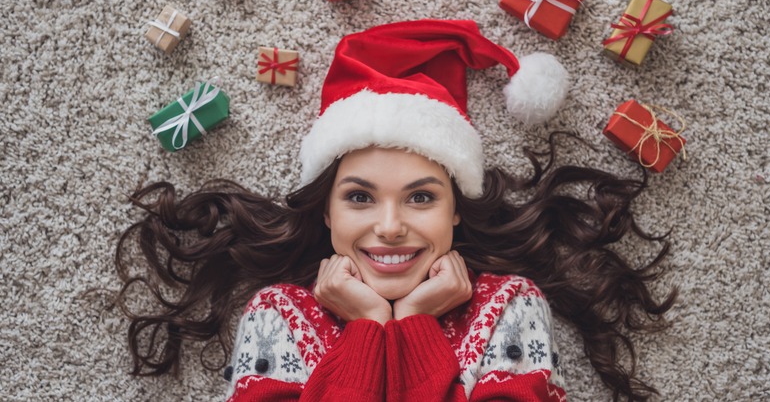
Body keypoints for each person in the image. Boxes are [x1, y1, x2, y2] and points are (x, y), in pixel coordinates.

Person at [115, 20, 676, 401]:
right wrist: (366, 330)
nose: (388, 227)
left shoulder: (509, 304)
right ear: (327, 213)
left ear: (456, 210)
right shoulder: (279, 314)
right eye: (359, 196)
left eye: (422, 197)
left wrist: (410, 326)